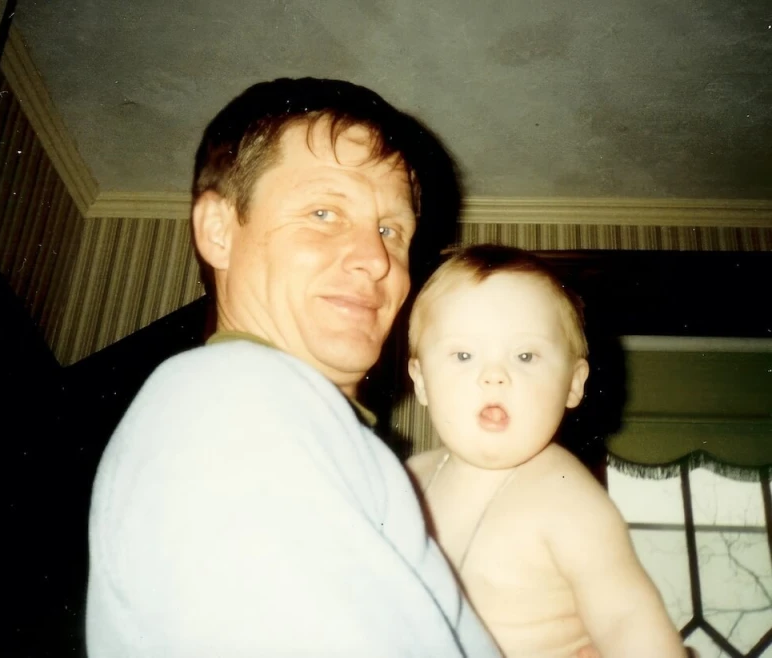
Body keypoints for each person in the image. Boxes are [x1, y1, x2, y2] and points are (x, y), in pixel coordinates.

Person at [84, 78, 501, 657]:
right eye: (325, 212)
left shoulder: (309, 427)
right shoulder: (234, 397)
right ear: (219, 231)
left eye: (390, 230)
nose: (376, 259)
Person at [406, 244, 688, 658]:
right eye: (463, 354)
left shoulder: (568, 498)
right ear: (422, 380)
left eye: (525, 355)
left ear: (573, 383)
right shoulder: (407, 479)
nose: (494, 376)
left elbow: (626, 620)